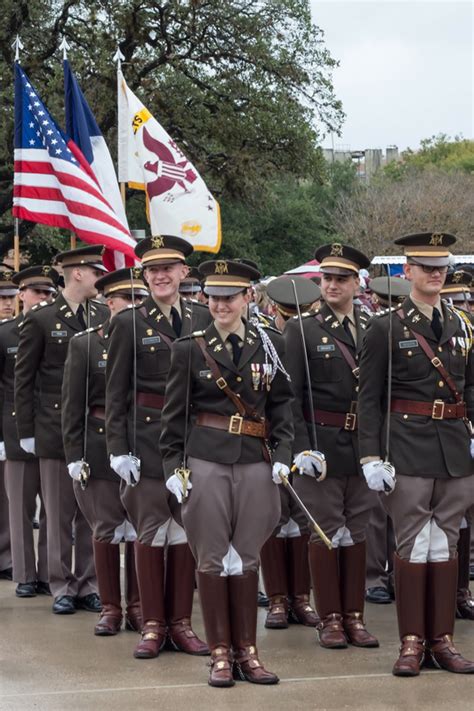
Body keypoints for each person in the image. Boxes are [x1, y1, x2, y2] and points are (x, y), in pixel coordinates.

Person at [160, 259, 294, 687]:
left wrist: (283, 453)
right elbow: (174, 417)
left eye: (229, 297)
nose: (220, 305)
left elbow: (283, 406)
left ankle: (248, 653)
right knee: (214, 556)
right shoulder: (189, 348)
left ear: (247, 298)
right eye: (214, 297)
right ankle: (220, 653)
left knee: (248, 555)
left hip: (255, 458)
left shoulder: (270, 343)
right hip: (207, 459)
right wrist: (172, 466)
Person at [358, 232, 474, 677]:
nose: (434, 274)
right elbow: (368, 398)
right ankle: (411, 641)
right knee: (411, 542)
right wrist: (370, 455)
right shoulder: (386, 326)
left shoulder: (463, 325)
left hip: (454, 449)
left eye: (440, 267)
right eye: (425, 267)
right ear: (407, 272)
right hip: (406, 445)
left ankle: (441, 640)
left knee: (445, 542)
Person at [105, 235, 211, 660]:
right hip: (146, 440)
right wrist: (118, 448)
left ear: (184, 272)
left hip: (196, 439)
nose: (161, 275)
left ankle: (182, 623)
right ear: (144, 275)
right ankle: (152, 624)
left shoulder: (204, 316)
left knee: (186, 529)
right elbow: (116, 393)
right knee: (151, 530)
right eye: (152, 270)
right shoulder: (128, 322)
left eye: (169, 268)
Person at [285, 243, 378, 650]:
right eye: (327, 278)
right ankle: (330, 619)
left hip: (365, 445)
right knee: (325, 532)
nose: (333, 285)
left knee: (357, 533)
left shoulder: (375, 326)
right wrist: (301, 448)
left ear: (358, 283)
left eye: (342, 278)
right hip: (321, 445)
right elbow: (288, 397)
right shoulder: (301, 328)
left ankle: (355, 616)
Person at [14, 246, 108, 615]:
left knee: (91, 512)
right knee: (57, 512)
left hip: (93, 426)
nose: (100, 277)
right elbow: (25, 378)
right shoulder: (40, 318)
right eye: (96, 272)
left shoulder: (101, 314)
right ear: (78, 273)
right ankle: (60, 584)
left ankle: (89, 583)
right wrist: (26, 430)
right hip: (53, 427)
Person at [62, 268, 149, 635]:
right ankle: (111, 607)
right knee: (106, 529)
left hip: (143, 440)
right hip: (98, 445)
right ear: (107, 301)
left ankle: (141, 607)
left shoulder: (154, 341)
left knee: (144, 530)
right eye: (126, 299)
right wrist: (74, 455)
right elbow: (72, 407)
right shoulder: (85, 344)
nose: (133, 306)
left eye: (139, 299)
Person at [259, 275, 320, 629]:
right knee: (273, 519)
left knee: (302, 520)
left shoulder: (311, 338)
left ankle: (301, 596)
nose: (290, 322)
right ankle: (278, 598)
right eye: (286, 316)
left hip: (307, 439)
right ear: (274, 312)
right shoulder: (266, 341)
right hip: (274, 440)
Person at [1, 266, 59, 597]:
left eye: (49, 293)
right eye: (37, 292)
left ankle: (52, 573)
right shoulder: (6, 333)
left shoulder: (58, 329)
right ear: (22, 294)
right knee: (20, 507)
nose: (44, 299)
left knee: (54, 507)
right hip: (15, 429)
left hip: (50, 428)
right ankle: (24, 573)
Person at [364, 276, 410, 604]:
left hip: (403, 428)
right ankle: (373, 577)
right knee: (376, 512)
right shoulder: (377, 327)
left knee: (399, 511)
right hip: (381, 426)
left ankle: (395, 572)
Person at [441, 267, 474, 620]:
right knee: (455, 518)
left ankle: (462, 591)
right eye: (455, 300)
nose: (463, 306)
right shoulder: (455, 334)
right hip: (452, 433)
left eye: (466, 299)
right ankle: (450, 594)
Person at [0, 266, 19, 580]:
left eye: (11, 298)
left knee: (5, 502)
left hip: (9, 425)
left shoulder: (16, 331)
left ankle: (5, 557)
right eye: (1, 298)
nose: (7, 303)